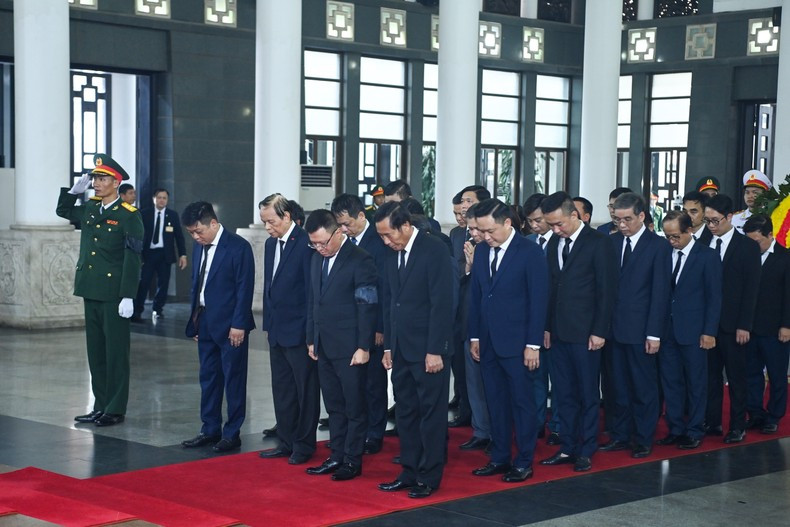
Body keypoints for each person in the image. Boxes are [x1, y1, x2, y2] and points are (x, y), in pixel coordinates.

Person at [56, 154, 144, 427]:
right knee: (96, 353)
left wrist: (128, 294)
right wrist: (72, 193)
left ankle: (115, 408)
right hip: (90, 287)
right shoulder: (92, 208)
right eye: (94, 178)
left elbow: (133, 257)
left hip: (114, 293)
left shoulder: (129, 215)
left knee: (115, 353)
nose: (96, 183)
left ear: (116, 183)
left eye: (102, 178)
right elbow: (63, 212)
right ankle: (100, 405)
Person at [375, 201, 453, 499]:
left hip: (429, 351)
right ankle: (408, 471)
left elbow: (442, 304)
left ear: (406, 226)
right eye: (381, 236)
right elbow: (390, 302)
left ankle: (429, 476)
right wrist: (389, 346)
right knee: (405, 412)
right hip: (401, 349)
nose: (385, 241)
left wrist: (435, 350)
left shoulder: (434, 250)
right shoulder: (391, 253)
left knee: (431, 414)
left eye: (388, 234)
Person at [467, 199, 548, 483]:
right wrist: (475, 336)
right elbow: (477, 296)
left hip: (519, 344)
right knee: (496, 402)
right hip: (488, 341)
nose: (485, 236)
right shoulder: (481, 251)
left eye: (490, 231)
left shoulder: (530, 252)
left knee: (522, 403)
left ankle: (524, 461)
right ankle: (499, 457)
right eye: (481, 231)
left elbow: (538, 301)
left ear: (507, 223)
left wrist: (533, 344)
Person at [539, 192, 618, 473]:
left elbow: (606, 291)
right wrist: (547, 327)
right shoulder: (553, 244)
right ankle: (567, 446)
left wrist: (599, 331)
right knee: (564, 394)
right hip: (559, 332)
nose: (555, 230)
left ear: (574, 215)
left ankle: (586, 448)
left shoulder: (599, 243)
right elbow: (550, 288)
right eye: (551, 225)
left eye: (559, 224)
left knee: (587, 394)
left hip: (587, 334)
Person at [303, 210, 378, 481]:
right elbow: (314, 301)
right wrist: (311, 338)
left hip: (350, 348)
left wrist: (363, 346)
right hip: (323, 345)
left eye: (323, 242)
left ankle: (352, 460)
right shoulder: (316, 259)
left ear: (339, 232)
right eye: (314, 243)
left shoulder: (360, 259)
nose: (319, 248)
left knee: (354, 406)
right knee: (334, 405)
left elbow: (367, 306)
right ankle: (336, 455)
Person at [180, 202, 255, 453]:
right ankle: (209, 428)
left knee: (233, 379)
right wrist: (195, 320)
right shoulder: (199, 246)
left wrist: (239, 324)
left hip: (231, 326)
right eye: (191, 233)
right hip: (205, 321)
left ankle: (232, 433)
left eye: (198, 231)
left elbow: (244, 288)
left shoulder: (238, 247)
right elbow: (197, 284)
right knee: (209, 378)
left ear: (213, 223)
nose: (195, 237)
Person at [601, 193, 670, 459]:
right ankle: (620, 435)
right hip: (612, 330)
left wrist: (654, 334)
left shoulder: (658, 246)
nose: (622, 225)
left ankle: (643, 438)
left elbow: (660, 293)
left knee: (643, 387)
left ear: (641, 216)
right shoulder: (611, 243)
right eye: (617, 220)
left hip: (641, 331)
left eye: (627, 219)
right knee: (617, 386)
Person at [258, 194, 319, 465]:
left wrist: (311, 334)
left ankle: (304, 445)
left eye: (271, 221)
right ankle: (286, 441)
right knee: (282, 389)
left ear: (286, 216)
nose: (267, 227)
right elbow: (270, 287)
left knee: (305, 391)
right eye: (264, 222)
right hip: (277, 331)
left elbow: (311, 292)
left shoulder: (306, 243)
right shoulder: (271, 244)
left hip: (299, 332)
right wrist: (268, 325)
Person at [656, 210, 721, 450]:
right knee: (671, 382)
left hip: (695, 331)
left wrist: (709, 331)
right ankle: (675, 429)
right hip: (667, 330)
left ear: (689, 231)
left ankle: (694, 430)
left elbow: (714, 297)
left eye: (676, 236)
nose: (672, 241)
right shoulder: (664, 254)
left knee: (696, 383)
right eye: (668, 237)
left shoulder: (707, 256)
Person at [331, 193, 388, 454]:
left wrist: (380, 327)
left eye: (347, 223)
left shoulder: (379, 240)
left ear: (361, 216)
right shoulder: (341, 242)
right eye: (339, 225)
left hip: (372, 324)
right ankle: (355, 430)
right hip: (347, 326)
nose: (344, 229)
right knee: (352, 384)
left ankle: (375, 432)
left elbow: (384, 287)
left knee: (373, 383)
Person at [703, 194, 761, 443]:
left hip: (734, 324)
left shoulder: (746, 246)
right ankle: (712, 421)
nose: (711, 226)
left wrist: (744, 325)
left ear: (729, 217)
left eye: (715, 221)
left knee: (736, 378)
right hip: (708, 324)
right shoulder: (703, 242)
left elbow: (751, 289)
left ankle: (737, 425)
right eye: (707, 220)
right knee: (710, 377)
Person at [451, 186, 492, 449]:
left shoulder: (493, 237)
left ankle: (497, 430)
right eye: (462, 201)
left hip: (492, 318)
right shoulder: (457, 234)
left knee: (492, 381)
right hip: (464, 313)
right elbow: (451, 269)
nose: (464, 205)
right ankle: (480, 429)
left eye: (469, 201)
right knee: (471, 378)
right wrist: (466, 267)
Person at [743, 214, 790, 434]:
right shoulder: (747, 257)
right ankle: (755, 413)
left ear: (770, 235)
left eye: (757, 241)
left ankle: (774, 415)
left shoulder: (785, 258)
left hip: (775, 329)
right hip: (750, 328)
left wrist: (786, 325)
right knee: (751, 374)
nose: (753, 247)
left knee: (777, 375)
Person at [524, 192, 560, 446]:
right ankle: (536, 424)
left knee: (559, 380)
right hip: (531, 325)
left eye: (538, 220)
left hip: (557, 323)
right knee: (534, 377)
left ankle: (557, 425)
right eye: (530, 221)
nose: (534, 225)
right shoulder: (527, 243)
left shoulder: (562, 241)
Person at [133, 189, 187, 321]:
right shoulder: (144, 214)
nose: (162, 200)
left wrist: (183, 254)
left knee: (163, 284)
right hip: (148, 254)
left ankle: (158, 309)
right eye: (159, 197)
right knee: (144, 282)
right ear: (154, 199)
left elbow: (179, 236)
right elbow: (137, 234)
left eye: (164, 198)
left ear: (167, 200)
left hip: (165, 254)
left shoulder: (172, 215)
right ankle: (137, 311)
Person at [732, 169, 772, 233]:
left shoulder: (772, 217)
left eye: (755, 192)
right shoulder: (734, 218)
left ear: (765, 195)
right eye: (747, 192)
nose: (750, 196)